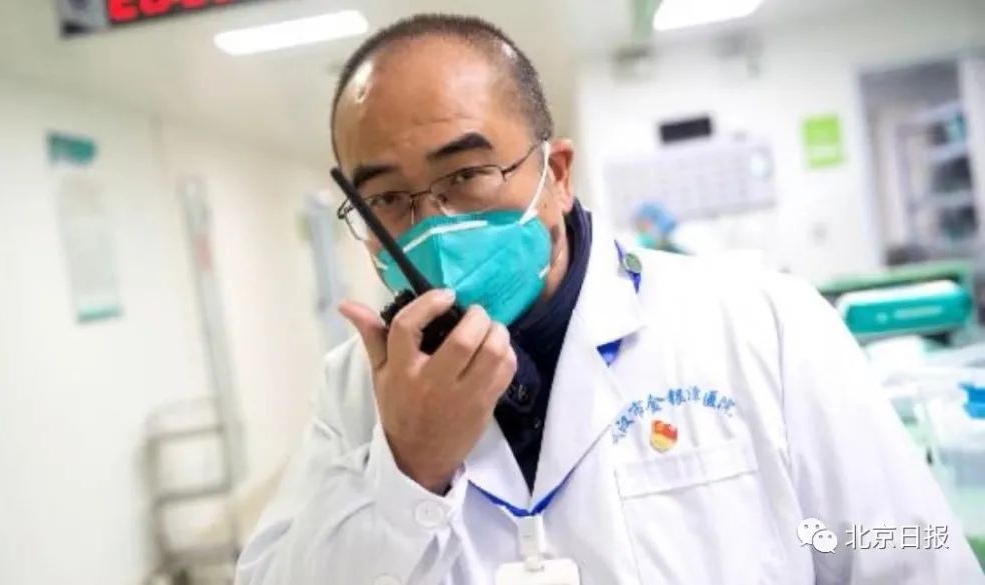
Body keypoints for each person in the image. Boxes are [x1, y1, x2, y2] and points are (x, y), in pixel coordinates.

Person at [236, 14, 984, 585]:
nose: (431, 224)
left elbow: (912, 553)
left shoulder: (761, 322)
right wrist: (408, 472)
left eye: (466, 175)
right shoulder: (354, 393)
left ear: (556, 175)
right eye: (388, 200)